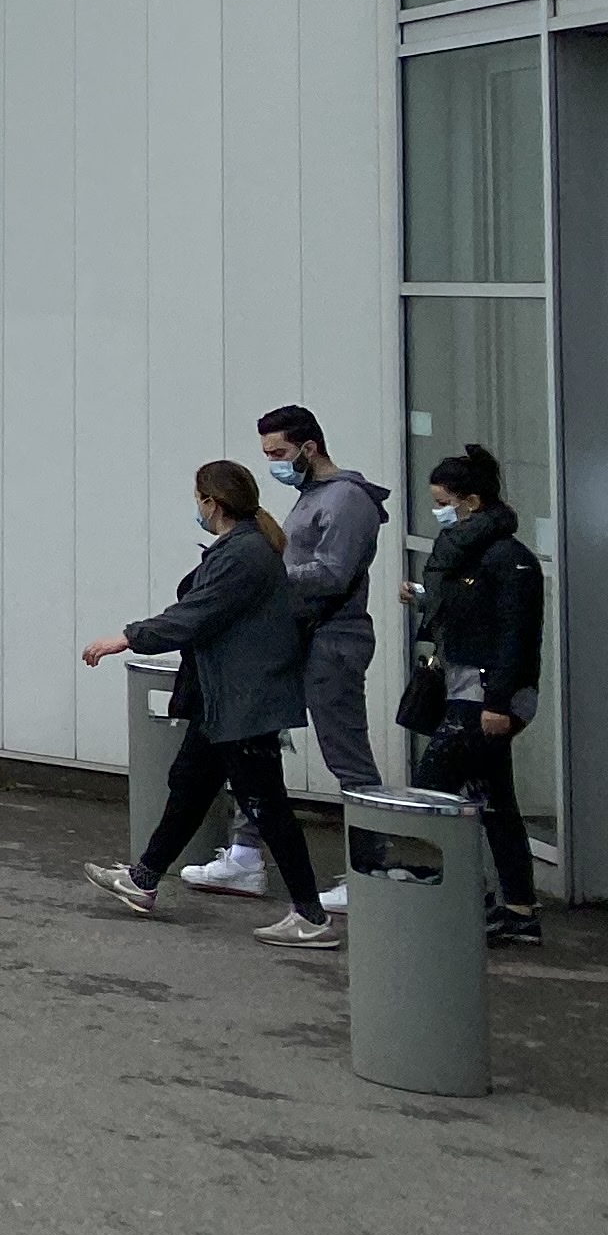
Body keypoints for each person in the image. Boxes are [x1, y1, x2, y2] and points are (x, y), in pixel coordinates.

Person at [80, 460, 340, 945]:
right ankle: (143, 879)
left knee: (267, 805)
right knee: (191, 784)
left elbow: (195, 615)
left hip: (243, 701)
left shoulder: (243, 554)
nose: (197, 508)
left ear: (212, 503)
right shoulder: (244, 547)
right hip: (225, 700)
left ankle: (311, 916)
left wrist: (127, 638)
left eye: (198, 499)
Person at [183, 405, 385, 912]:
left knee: (345, 754)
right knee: (259, 742)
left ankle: (370, 871)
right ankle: (246, 854)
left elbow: (333, 574)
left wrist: (264, 577)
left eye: (278, 453)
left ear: (308, 448)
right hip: (299, 635)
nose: (273, 462)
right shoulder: (315, 497)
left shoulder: (345, 499)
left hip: (332, 640)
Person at [406, 444, 548, 949]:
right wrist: (426, 599)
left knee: (435, 789)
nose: (439, 513)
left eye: (443, 503)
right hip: (473, 689)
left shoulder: (505, 558)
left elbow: (514, 635)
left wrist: (497, 702)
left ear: (471, 501)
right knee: (493, 799)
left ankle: (469, 896)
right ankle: (516, 908)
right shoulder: (477, 553)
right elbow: (478, 612)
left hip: (484, 694)